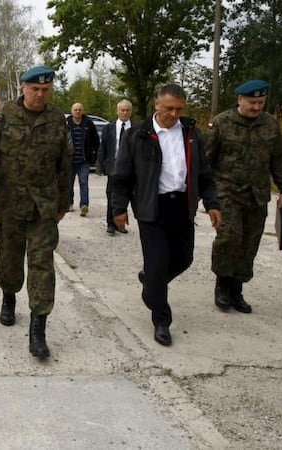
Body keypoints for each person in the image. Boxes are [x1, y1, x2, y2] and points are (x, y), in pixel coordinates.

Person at [111, 84, 222, 347]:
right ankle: (161, 320)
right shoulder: (138, 134)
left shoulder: (191, 133)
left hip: (182, 206)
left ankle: (150, 281)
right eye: (169, 108)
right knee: (159, 263)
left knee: (184, 258)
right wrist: (118, 208)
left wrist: (213, 203)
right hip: (152, 208)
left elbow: (204, 174)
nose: (174, 114)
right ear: (157, 105)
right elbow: (121, 176)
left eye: (179, 109)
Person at [0, 66, 71, 358]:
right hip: (9, 204)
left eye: (46, 89)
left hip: (44, 206)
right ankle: (8, 295)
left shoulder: (57, 119)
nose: (40, 94)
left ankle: (38, 327)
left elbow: (65, 165)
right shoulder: (2, 115)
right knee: (10, 260)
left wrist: (64, 203)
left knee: (42, 265)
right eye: (34, 89)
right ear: (23, 88)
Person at [205, 80, 282, 314]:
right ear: (240, 100)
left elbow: (280, 159)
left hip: (256, 195)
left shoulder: (270, 125)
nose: (256, 107)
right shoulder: (222, 123)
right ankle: (222, 285)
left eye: (260, 102)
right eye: (252, 102)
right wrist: (205, 195)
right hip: (227, 193)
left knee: (249, 243)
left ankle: (237, 289)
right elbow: (206, 159)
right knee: (229, 238)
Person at [97, 99, 133, 235]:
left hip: (131, 169)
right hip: (114, 168)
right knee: (112, 196)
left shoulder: (136, 128)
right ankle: (111, 224)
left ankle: (121, 223)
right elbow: (103, 148)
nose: (124, 112)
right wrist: (100, 165)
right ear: (117, 111)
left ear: (131, 111)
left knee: (129, 196)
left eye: (127, 110)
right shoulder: (109, 128)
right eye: (122, 110)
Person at [65, 102, 99, 216]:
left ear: (82, 111)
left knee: (83, 182)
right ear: (72, 111)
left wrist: (96, 156)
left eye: (80, 109)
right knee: (69, 183)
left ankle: (84, 205)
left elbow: (96, 141)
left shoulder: (88, 123)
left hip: (84, 160)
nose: (78, 111)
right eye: (75, 109)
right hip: (70, 160)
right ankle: (69, 203)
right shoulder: (66, 123)